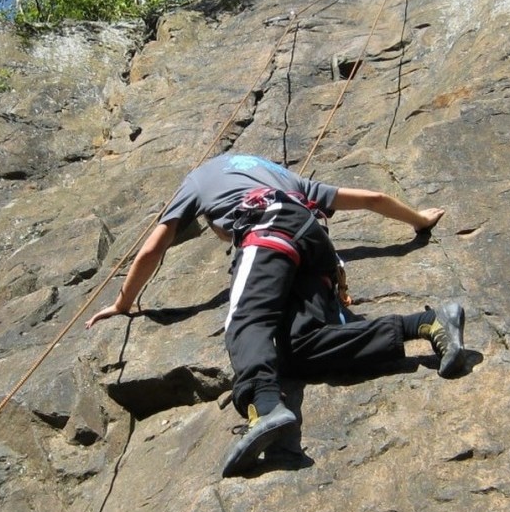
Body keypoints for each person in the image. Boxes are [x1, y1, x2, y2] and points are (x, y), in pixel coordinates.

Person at [85, 153, 468, 477]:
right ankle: (428, 323)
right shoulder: (284, 176)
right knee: (299, 348)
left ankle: (264, 406)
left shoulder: (198, 179)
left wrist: (123, 303)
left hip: (267, 229)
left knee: (246, 321)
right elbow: (373, 197)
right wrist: (418, 219)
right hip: (315, 243)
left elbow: (154, 246)